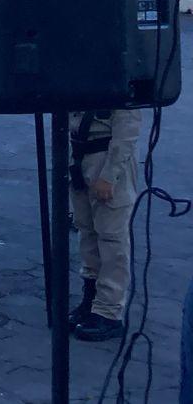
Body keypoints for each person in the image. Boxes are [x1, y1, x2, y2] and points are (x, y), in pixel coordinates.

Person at [67, 105, 143, 342]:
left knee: (112, 237)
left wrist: (110, 176)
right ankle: (91, 300)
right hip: (81, 153)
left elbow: (127, 131)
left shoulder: (119, 75)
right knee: (87, 230)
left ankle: (109, 312)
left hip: (108, 156)